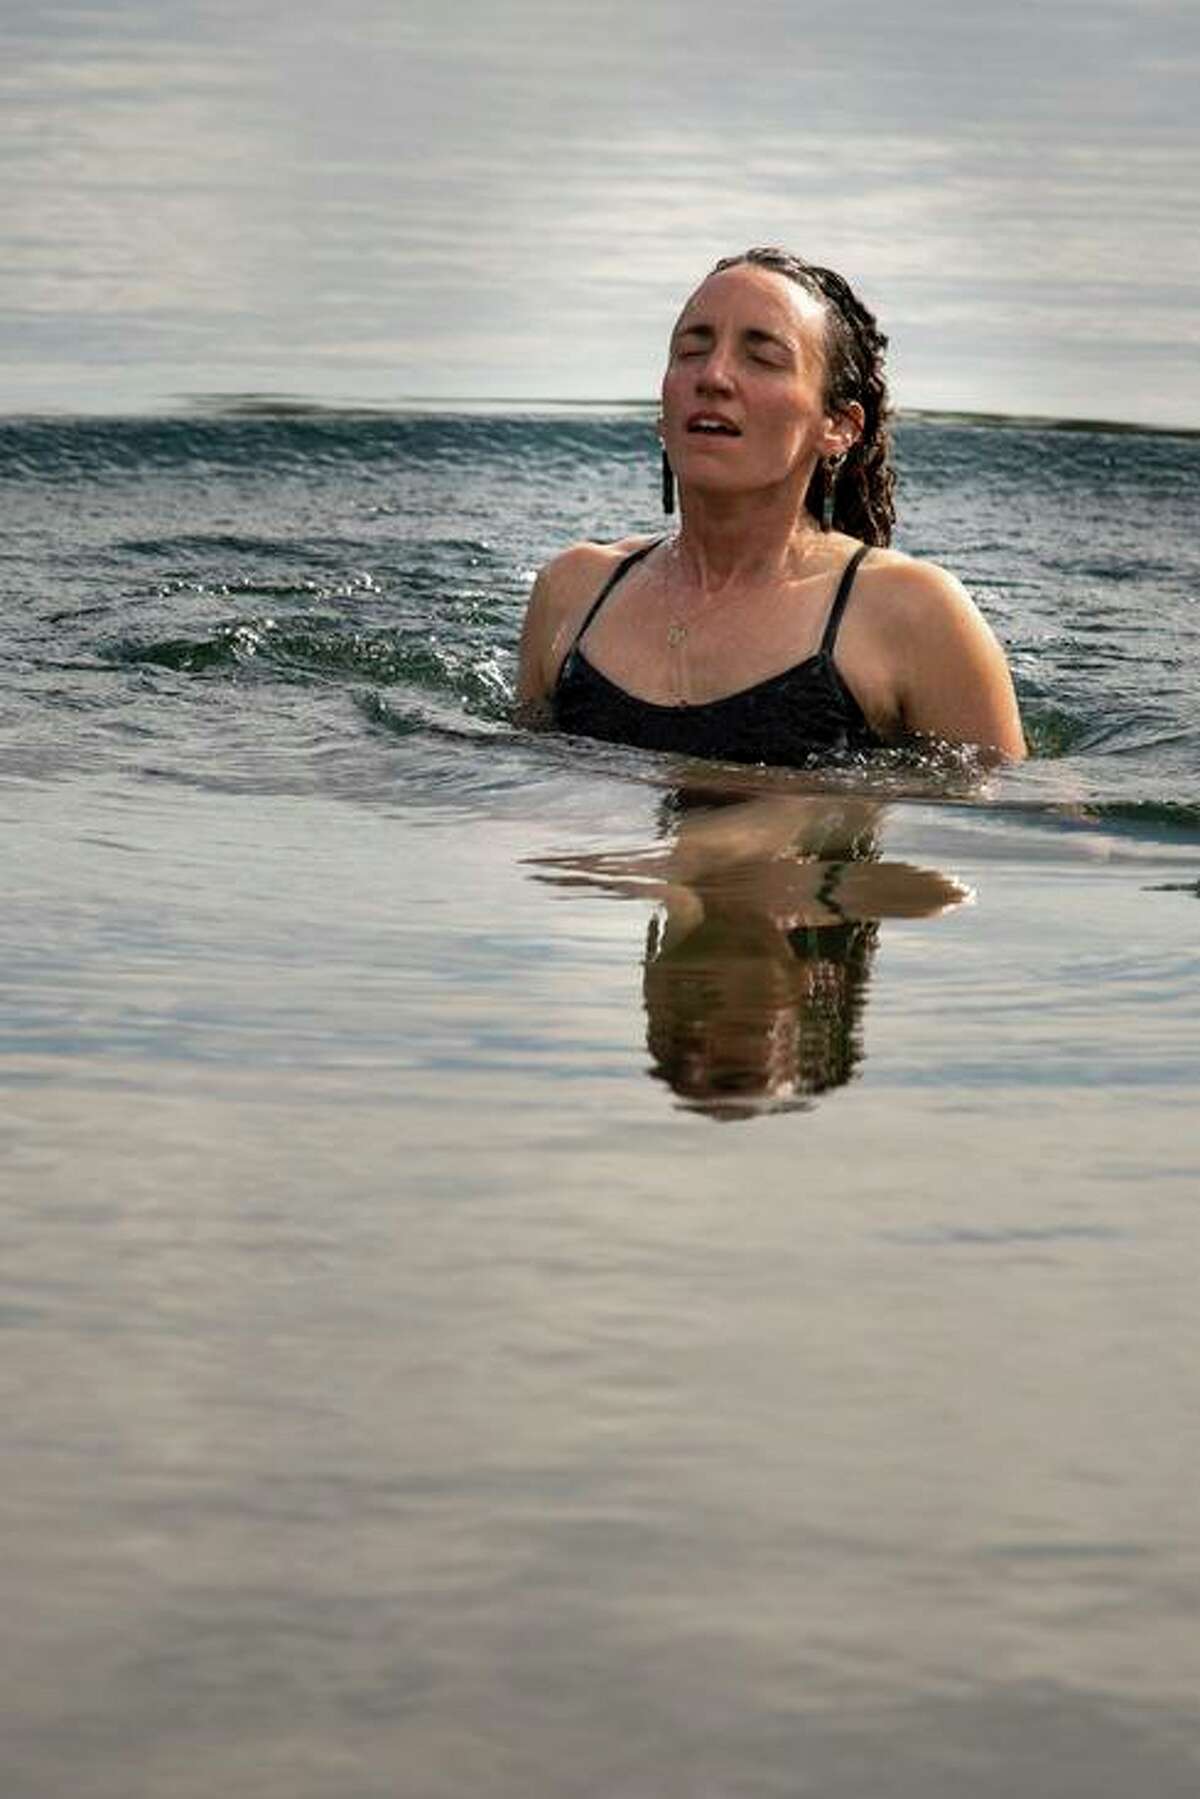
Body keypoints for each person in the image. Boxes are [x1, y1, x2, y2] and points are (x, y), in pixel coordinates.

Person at [517, 247, 1026, 766]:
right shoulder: (572, 592)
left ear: (839, 427)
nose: (712, 376)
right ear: (662, 412)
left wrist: (773, 825)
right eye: (692, 351)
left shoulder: (913, 611)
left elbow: (1026, 825)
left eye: (762, 358)